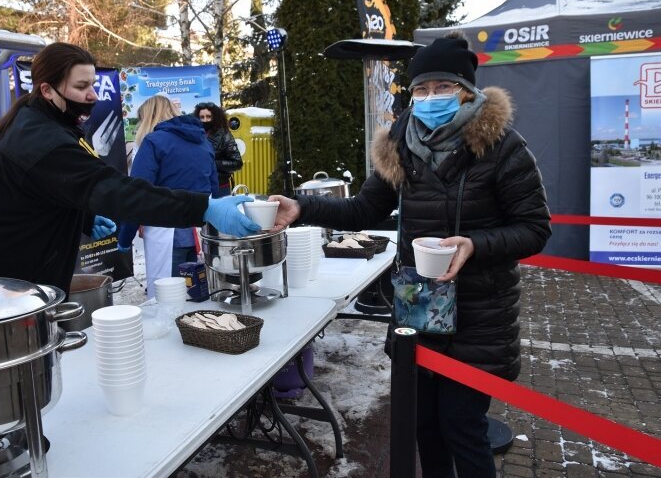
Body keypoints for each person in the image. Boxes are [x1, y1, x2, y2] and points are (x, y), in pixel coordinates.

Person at [269, 32, 551, 477]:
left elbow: (535, 229)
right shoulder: (399, 146)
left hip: (479, 312)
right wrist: (303, 206)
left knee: (461, 425)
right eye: (421, 88)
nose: (430, 96)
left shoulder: (502, 148)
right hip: (417, 308)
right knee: (421, 424)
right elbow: (364, 208)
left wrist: (475, 244)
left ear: (467, 92)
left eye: (443, 87)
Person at [0, 43, 259, 294]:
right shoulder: (41, 139)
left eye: (93, 85)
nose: (92, 96)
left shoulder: (49, 124)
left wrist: (84, 217)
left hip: (4, 279)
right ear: (47, 90)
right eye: (81, 87)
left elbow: (38, 192)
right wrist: (204, 207)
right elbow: (118, 190)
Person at [117, 95, 219, 295]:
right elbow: (213, 188)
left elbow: (137, 193)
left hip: (166, 234)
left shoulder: (154, 142)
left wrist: (125, 237)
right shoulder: (203, 143)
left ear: (148, 117)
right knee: (198, 295)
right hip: (200, 232)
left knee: (169, 301)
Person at [194, 102, 243, 197]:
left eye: (208, 116)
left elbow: (237, 163)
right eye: (202, 117)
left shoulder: (224, 135)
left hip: (220, 187)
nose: (205, 120)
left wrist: (213, 164)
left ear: (215, 117)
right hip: (197, 187)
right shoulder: (193, 134)